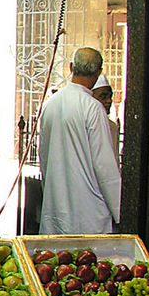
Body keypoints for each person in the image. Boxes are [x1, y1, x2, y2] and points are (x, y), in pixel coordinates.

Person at [38, 47, 121, 234]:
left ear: (70, 68)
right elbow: (104, 166)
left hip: (56, 207)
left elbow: (44, 158)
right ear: (99, 72)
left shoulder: (50, 105)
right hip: (88, 212)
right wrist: (119, 212)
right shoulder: (92, 108)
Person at [91, 74, 121, 165]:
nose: (109, 101)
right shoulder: (81, 125)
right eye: (103, 97)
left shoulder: (112, 127)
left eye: (110, 96)